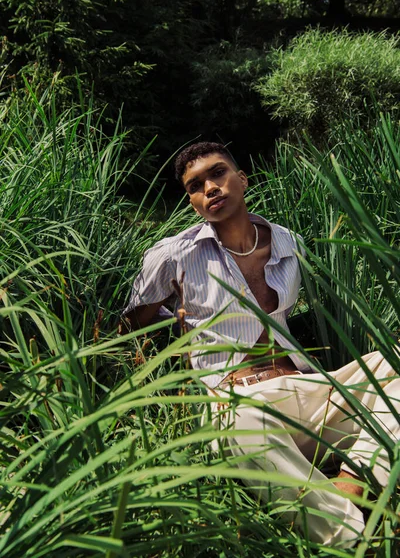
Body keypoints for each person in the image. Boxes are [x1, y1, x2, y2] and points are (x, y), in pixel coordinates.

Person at [122, 142, 399, 548]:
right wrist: (172, 315)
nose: (210, 188)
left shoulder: (289, 243)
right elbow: (128, 325)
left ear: (242, 179)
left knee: (391, 364)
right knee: (235, 422)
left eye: (218, 173)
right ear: (193, 203)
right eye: (195, 186)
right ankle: (354, 540)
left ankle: (354, 480)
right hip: (238, 402)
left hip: (306, 390)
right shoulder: (171, 255)